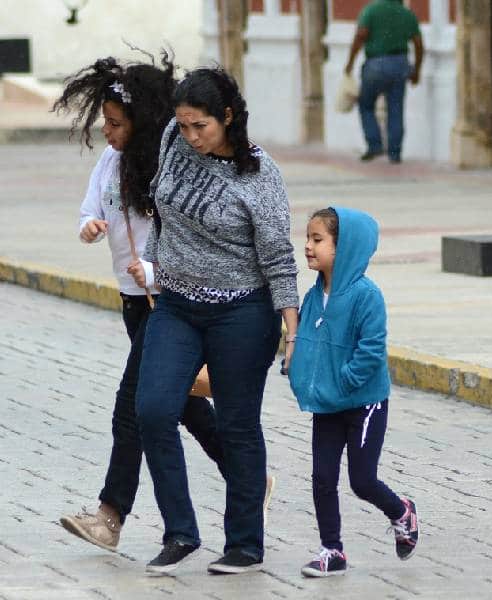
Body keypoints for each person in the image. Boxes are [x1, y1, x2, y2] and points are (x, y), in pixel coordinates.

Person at [52, 53, 226, 553]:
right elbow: (90, 208)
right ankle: (248, 477)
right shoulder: (110, 163)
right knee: (183, 404)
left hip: (167, 302)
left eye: (115, 123)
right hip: (133, 302)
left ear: (142, 123)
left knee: (132, 406)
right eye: (104, 122)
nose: (106, 131)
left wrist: (154, 269)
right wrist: (89, 227)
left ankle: (110, 516)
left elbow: (191, 237)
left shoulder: (169, 169)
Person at [133, 67, 298, 575]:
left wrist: (291, 327)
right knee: (154, 408)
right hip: (177, 303)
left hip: (241, 312)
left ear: (227, 117)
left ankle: (245, 544)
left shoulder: (260, 176)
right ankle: (180, 532)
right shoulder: (172, 140)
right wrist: (154, 261)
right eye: (182, 125)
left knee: (237, 423)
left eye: (199, 126)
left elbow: (278, 256)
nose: (189, 136)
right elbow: (160, 205)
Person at [288, 207, 419, 577]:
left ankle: (401, 511)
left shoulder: (366, 295)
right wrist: (302, 376)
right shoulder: (314, 295)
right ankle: (332, 550)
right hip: (328, 404)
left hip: (364, 403)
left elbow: (371, 349)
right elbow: (308, 345)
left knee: (362, 480)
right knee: (322, 478)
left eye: (318, 240)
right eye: (307, 239)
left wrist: (344, 381)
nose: (308, 247)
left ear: (342, 247)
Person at [344, 0, 424, 164]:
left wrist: (350, 62)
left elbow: (361, 35)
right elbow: (419, 44)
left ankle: (374, 144)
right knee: (396, 108)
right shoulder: (407, 14)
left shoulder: (371, 10)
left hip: (376, 64)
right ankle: (395, 153)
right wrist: (416, 70)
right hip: (400, 64)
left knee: (365, 104)